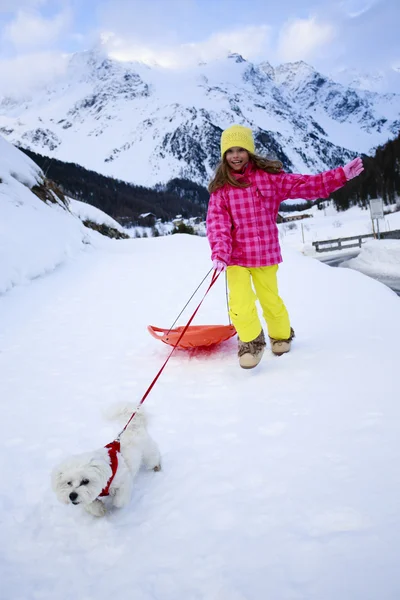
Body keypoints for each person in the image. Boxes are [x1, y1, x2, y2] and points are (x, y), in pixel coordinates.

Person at [206, 124, 364, 369]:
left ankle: (280, 335)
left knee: (270, 298)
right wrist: (220, 252)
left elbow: (306, 185)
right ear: (224, 155)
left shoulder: (269, 179)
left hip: (265, 253)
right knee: (239, 302)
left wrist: (340, 175)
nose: (235, 156)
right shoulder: (222, 189)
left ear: (249, 151)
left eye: (240, 150)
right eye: (230, 151)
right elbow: (217, 223)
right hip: (234, 257)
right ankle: (250, 343)